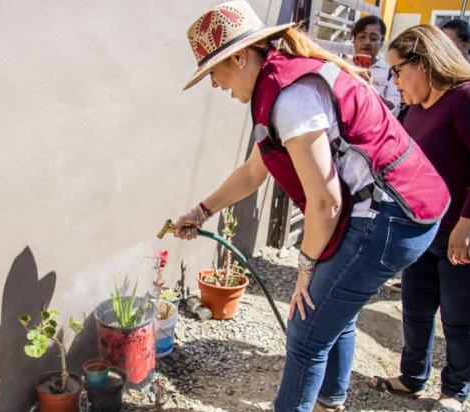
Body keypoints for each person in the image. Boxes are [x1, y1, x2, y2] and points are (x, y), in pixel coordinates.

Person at [173, 2, 449, 411]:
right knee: (335, 313)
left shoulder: (292, 97)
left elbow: (325, 202)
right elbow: (255, 171)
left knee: (305, 331)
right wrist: (200, 211)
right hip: (412, 207)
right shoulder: (282, 80)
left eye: (213, 71)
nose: (214, 83)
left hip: (391, 216)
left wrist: (306, 268)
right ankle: (330, 401)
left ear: (239, 56)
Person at [368, 24, 470, 412]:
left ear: (424, 63)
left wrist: (467, 223)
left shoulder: (463, 100)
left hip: (458, 232)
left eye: (398, 70)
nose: (395, 80)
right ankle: (412, 378)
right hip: (420, 230)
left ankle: (455, 392)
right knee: (415, 308)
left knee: (458, 319)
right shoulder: (414, 110)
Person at [351, 15, 401, 115]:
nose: (367, 42)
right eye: (362, 37)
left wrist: (371, 90)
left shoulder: (390, 73)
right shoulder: (341, 67)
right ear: (354, 40)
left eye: (373, 38)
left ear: (381, 42)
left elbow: (394, 109)